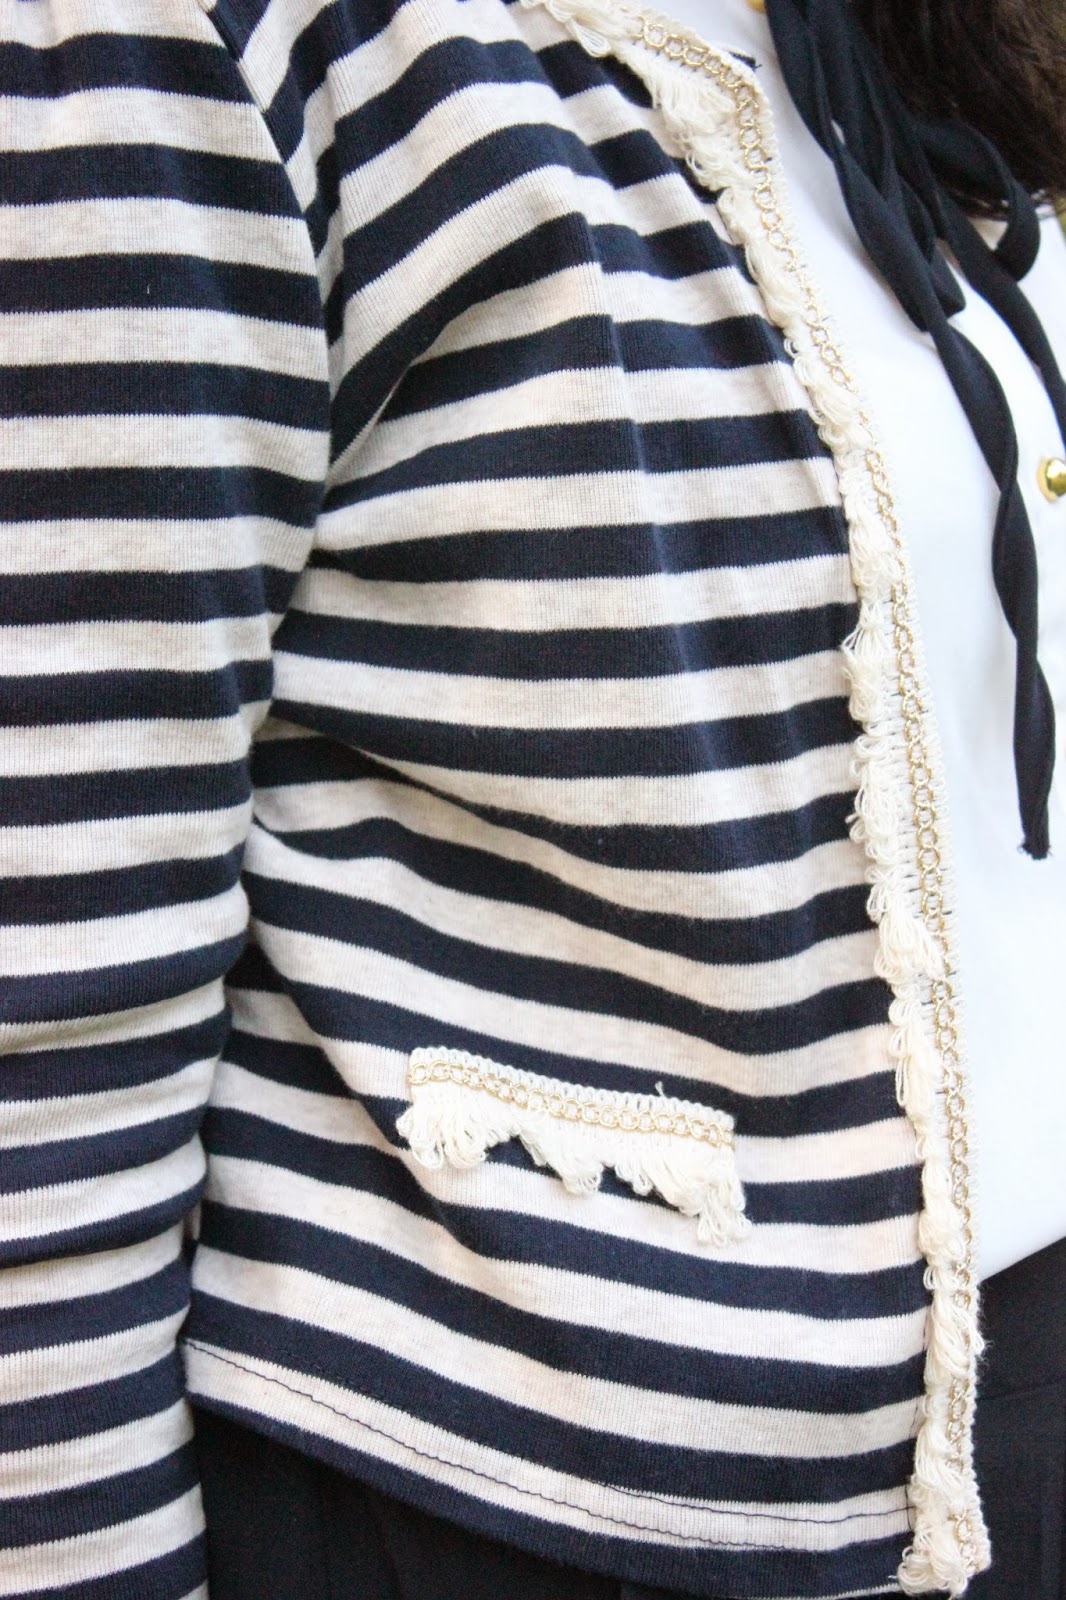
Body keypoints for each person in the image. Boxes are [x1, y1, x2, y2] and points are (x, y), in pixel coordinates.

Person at [0, 0, 1063, 1596]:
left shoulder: (899, 45)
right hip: (502, 1481)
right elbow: (54, 998)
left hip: (996, 1430)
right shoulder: (203, 48)